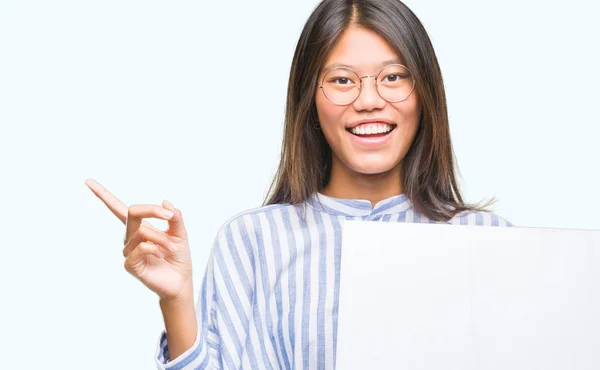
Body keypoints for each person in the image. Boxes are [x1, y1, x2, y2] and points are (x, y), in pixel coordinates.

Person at [86, 0, 512, 368]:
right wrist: (176, 301)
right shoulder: (252, 242)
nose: (368, 100)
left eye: (393, 76)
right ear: (310, 96)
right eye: (342, 79)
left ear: (426, 92)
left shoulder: (490, 240)